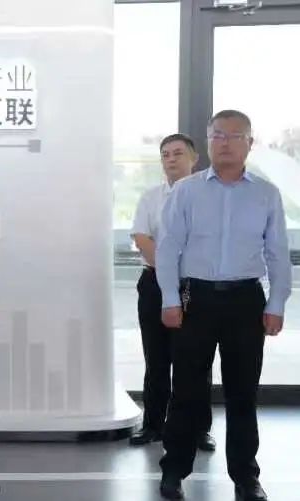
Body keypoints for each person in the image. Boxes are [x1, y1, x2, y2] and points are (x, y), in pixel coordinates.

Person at [156, 110, 291, 501]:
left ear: (250, 143)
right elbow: (168, 247)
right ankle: (173, 471)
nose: (225, 143)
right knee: (186, 391)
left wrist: (277, 302)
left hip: (245, 300)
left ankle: (246, 478)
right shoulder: (187, 191)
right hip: (195, 299)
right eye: (217, 135)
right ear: (208, 141)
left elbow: (278, 254)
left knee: (242, 393)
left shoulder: (266, 194)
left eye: (235, 136)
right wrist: (169, 299)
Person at [129, 134, 216, 452]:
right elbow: (143, 239)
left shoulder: (210, 197)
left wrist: (184, 270)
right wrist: (169, 271)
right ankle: (153, 424)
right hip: (153, 283)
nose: (171, 159)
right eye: (165, 154)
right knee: (156, 358)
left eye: (178, 153)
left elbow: (208, 243)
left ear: (194, 158)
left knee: (196, 360)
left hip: (196, 285)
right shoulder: (150, 197)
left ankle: (198, 429)